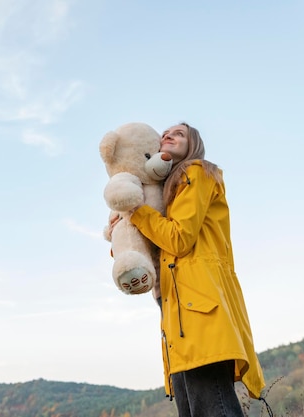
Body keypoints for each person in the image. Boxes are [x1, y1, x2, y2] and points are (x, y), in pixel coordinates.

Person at [111, 122, 265, 416]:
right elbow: (159, 241)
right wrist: (124, 231)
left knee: (213, 407)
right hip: (177, 310)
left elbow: (179, 238)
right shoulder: (167, 193)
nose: (168, 135)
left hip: (199, 308)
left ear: (192, 145)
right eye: (165, 134)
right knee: (194, 409)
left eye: (179, 134)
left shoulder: (196, 172)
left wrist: (136, 210)